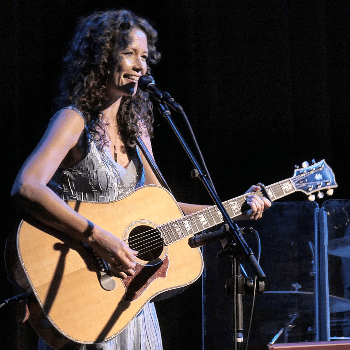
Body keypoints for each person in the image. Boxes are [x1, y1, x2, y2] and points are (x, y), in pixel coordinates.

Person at [10, 9, 271, 350]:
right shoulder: (73, 120)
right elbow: (27, 186)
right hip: (85, 293)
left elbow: (164, 209)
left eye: (145, 57)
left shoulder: (138, 133)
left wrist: (231, 209)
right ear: (101, 56)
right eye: (129, 53)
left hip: (129, 298)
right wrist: (96, 236)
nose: (140, 66)